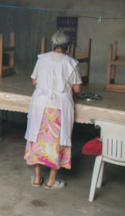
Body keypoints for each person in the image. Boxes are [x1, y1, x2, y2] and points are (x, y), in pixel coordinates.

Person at [24, 30, 82, 189]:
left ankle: (36, 178)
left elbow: (34, 81)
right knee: (56, 142)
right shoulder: (71, 63)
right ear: (68, 47)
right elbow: (77, 89)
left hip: (39, 105)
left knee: (37, 138)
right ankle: (51, 180)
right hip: (58, 108)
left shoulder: (42, 59)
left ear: (53, 45)